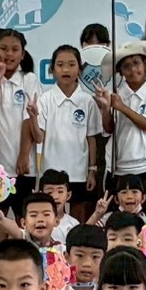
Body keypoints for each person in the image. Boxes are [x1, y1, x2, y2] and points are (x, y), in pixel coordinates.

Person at [28, 47, 103, 215]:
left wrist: (92, 170)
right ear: (52, 69)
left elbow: (91, 139)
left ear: (80, 69)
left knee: (79, 219)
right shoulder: (45, 99)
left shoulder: (87, 101)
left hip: (79, 174)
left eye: (71, 64)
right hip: (51, 174)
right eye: (60, 65)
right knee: (51, 218)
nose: (66, 70)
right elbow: (39, 138)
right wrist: (33, 118)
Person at [98, 42, 146, 204]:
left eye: (136, 63)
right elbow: (109, 129)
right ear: (120, 72)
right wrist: (106, 109)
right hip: (118, 166)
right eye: (126, 66)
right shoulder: (115, 95)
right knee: (116, 214)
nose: (133, 69)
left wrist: (121, 107)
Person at [0, 29, 33, 216]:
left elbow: (29, 119)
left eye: (15, 49)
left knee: (24, 222)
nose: (9, 54)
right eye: (3, 48)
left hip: (23, 168)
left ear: (22, 54)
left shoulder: (29, 79)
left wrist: (23, 154)